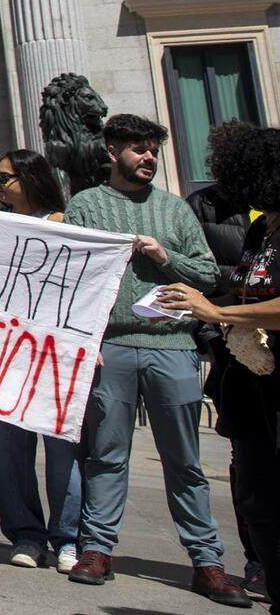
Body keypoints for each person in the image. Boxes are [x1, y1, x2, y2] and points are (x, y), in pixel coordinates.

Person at [65, 113, 249, 606]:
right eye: (138, 149)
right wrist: (84, 342)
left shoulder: (174, 210)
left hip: (172, 348)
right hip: (112, 347)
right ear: (112, 152)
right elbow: (72, 276)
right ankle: (96, 550)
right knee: (106, 454)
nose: (148, 157)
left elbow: (209, 275)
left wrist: (165, 257)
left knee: (185, 461)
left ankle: (208, 562)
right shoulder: (85, 206)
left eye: (153, 149)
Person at [157, 125, 280, 603]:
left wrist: (219, 312)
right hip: (247, 384)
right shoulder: (259, 228)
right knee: (255, 495)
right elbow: (252, 290)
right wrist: (194, 301)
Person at [0, 149, 83, 571]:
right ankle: (25, 533)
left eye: (7, 178)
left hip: (54, 360)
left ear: (31, 178)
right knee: (6, 452)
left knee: (63, 453)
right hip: (1, 358)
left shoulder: (66, 227)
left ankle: (67, 537)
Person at [188, 122, 264, 596]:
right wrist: (214, 322)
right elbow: (202, 272)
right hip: (237, 357)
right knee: (251, 467)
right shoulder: (207, 208)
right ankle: (258, 558)